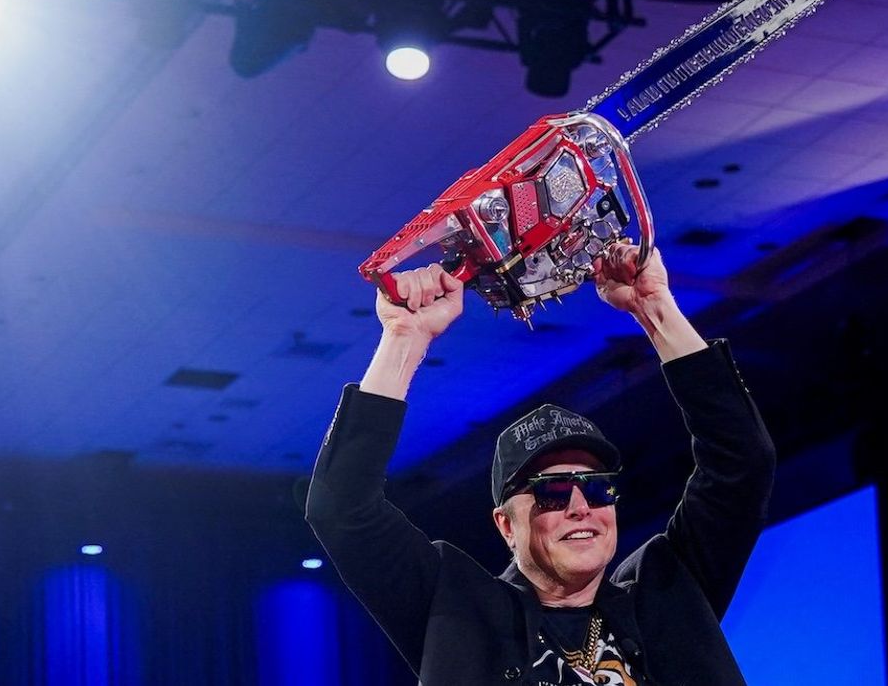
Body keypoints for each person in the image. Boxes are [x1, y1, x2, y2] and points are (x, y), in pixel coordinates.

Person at [306, 243, 775, 685]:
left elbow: (742, 461)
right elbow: (342, 507)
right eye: (552, 493)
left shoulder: (666, 594)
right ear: (506, 526)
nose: (580, 507)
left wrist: (656, 307)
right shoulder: (460, 615)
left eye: (595, 488)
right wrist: (403, 340)